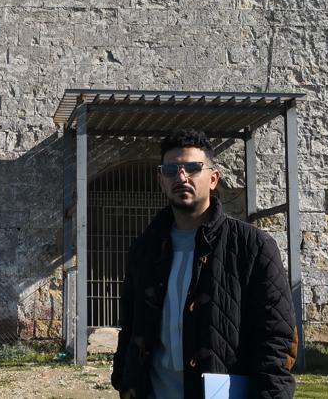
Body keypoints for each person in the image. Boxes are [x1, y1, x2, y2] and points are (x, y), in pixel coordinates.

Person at [111, 129, 298, 399]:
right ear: (161, 180)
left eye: (192, 168)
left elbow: (276, 338)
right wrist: (124, 377)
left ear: (213, 179)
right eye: (171, 169)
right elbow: (130, 325)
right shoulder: (145, 249)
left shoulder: (252, 246)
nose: (181, 177)